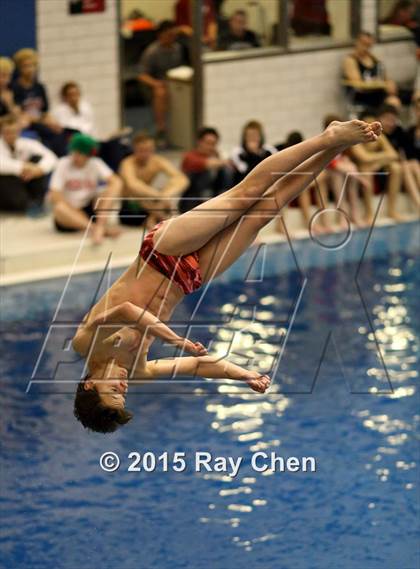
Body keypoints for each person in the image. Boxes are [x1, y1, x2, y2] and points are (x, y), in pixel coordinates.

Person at [71, 119, 382, 433]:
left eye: (113, 391)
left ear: (89, 385)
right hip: (188, 279)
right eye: (123, 396)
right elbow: (195, 366)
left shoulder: (85, 343)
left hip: (161, 254)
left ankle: (325, 137)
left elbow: (127, 311)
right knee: (266, 210)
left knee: (244, 196)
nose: (123, 388)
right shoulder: (135, 371)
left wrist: (175, 340)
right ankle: (336, 146)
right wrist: (243, 375)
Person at [48, 133, 122, 244]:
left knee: (112, 189)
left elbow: (116, 182)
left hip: (90, 209)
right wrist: (74, 212)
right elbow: (55, 194)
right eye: (73, 152)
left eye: (79, 153)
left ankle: (100, 225)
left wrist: (100, 217)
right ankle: (95, 229)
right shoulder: (63, 163)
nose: (75, 156)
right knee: (59, 208)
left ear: (88, 155)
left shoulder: (95, 163)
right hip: (70, 213)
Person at [51, 81, 131, 171]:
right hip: (77, 145)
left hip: (92, 141)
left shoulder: (85, 107)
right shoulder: (59, 111)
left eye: (76, 94)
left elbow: (92, 128)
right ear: (65, 97)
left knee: (114, 146)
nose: (74, 98)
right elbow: (69, 131)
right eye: (71, 95)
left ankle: (114, 173)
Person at [119, 132, 189, 228]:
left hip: (151, 203)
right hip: (131, 208)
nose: (145, 153)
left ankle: (152, 218)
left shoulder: (157, 161)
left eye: (149, 150)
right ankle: (159, 217)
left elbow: (181, 178)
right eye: (141, 150)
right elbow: (133, 184)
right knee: (137, 192)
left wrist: (166, 194)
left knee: (169, 189)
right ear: (134, 150)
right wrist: (159, 195)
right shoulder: (127, 163)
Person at [349, 112, 405, 221]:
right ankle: (369, 213)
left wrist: (377, 163)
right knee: (366, 169)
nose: (371, 127)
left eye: (373, 124)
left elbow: (394, 154)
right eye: (368, 124)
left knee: (396, 168)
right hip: (359, 169)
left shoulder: (379, 136)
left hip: (376, 166)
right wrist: (382, 157)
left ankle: (392, 210)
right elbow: (364, 158)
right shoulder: (355, 137)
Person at [138, 20, 186, 145]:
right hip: (158, 83)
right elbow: (142, 75)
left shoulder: (178, 48)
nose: (172, 38)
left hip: (175, 80)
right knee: (160, 93)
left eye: (174, 35)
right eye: (169, 35)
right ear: (161, 35)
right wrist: (156, 83)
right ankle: (161, 129)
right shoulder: (152, 52)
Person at [11, 48, 67, 156]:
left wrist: (52, 121)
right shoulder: (15, 88)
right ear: (19, 68)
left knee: (58, 130)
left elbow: (45, 110)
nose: (29, 69)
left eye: (32, 66)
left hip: (39, 121)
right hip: (26, 123)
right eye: (25, 66)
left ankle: (61, 160)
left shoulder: (40, 87)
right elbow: (18, 113)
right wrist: (39, 119)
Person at [0, 115, 56, 212]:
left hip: (25, 180)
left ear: (19, 131)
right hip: (6, 185)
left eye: (14, 131)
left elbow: (52, 157)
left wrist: (38, 169)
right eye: (7, 132)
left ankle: (35, 201)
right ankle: (23, 203)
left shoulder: (28, 143)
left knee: (38, 159)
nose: (11, 135)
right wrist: (22, 166)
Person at [180, 126, 233, 212]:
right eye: (208, 143)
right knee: (206, 172)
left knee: (226, 171)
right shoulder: (190, 156)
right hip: (192, 200)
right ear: (199, 142)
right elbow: (206, 164)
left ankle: (224, 200)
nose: (211, 147)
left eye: (214, 144)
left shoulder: (215, 157)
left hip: (212, 197)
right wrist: (222, 160)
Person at [378, 103, 420, 210]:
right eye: (387, 119)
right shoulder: (376, 133)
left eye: (393, 120)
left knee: (414, 164)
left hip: (397, 167)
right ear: (379, 118)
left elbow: (406, 154)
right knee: (402, 166)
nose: (390, 123)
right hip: (381, 172)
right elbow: (392, 155)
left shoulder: (398, 131)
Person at [342, 31, 400, 109]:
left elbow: (386, 78)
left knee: (394, 100)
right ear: (357, 43)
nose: (365, 48)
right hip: (363, 96)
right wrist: (377, 83)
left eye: (368, 45)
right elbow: (358, 83)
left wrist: (390, 84)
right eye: (363, 44)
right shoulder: (351, 60)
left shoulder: (374, 59)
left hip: (379, 93)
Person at [231, 120, 276, 184]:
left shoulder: (269, 150)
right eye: (249, 135)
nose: (252, 138)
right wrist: (252, 153)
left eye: (255, 135)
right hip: (245, 183)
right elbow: (244, 171)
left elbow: (274, 168)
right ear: (244, 138)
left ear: (260, 137)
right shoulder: (238, 152)